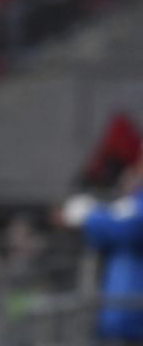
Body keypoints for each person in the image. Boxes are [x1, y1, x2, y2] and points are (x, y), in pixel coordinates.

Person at [61, 142, 143, 344]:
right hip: (121, 318)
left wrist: (85, 216)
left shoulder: (135, 208)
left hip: (132, 317)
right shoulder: (131, 202)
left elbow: (128, 226)